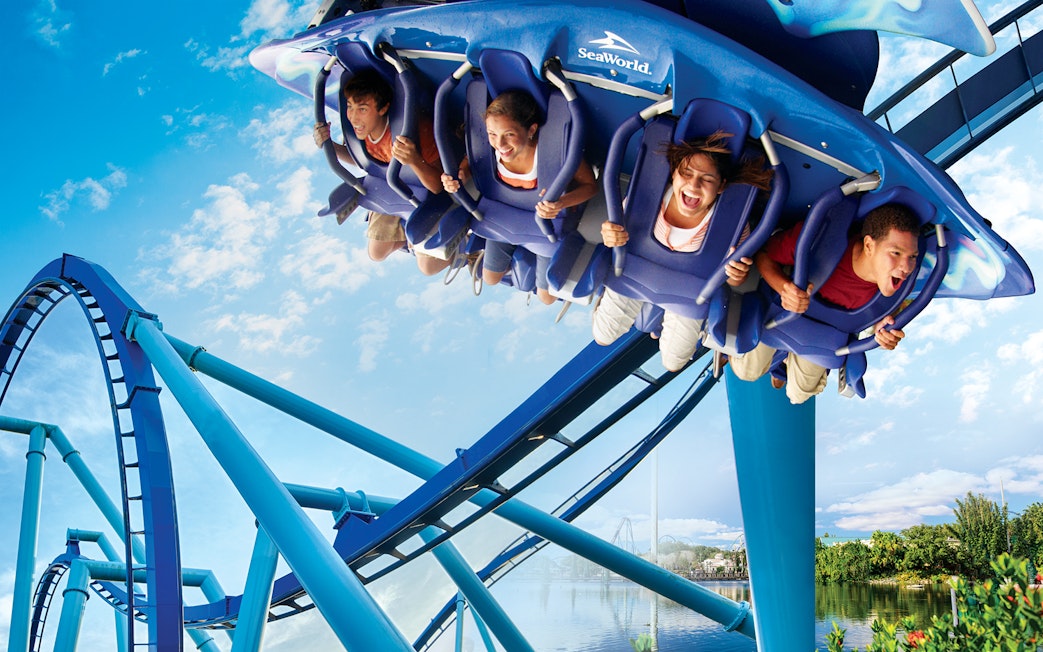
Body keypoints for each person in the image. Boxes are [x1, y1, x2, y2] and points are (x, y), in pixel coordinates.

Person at [593, 131, 773, 372]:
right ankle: (652, 308)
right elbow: (615, 235)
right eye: (686, 174)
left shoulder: (733, 225)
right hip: (637, 274)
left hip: (689, 293)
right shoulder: (644, 199)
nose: (693, 185)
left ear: (721, 187)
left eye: (706, 179)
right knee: (602, 337)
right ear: (674, 176)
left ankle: (657, 311)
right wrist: (609, 234)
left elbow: (733, 277)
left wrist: (737, 274)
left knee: (673, 364)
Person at [729, 202, 920, 403]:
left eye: (913, 256)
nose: (906, 266)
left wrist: (881, 333)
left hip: (823, 333)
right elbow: (764, 254)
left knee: (799, 395)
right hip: (784, 311)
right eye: (896, 253)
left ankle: (782, 365)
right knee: (746, 372)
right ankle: (774, 358)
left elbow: (886, 322)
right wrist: (784, 287)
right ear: (869, 246)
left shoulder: (899, 291)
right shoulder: (822, 239)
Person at [441, 90, 597, 304]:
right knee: (490, 278)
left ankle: (532, 257)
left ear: (531, 130)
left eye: (509, 135)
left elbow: (590, 187)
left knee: (546, 298)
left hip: (544, 227)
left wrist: (561, 202)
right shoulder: (491, 147)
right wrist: (459, 175)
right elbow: (472, 161)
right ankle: (522, 255)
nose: (500, 144)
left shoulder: (554, 151)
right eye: (493, 134)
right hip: (505, 214)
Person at [313, 69, 451, 276]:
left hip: (428, 189)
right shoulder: (361, 133)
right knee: (376, 253)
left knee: (427, 268)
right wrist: (329, 145)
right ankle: (407, 235)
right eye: (350, 107)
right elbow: (366, 162)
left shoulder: (411, 135)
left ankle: (462, 249)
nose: (353, 117)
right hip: (391, 185)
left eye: (362, 109)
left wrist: (414, 160)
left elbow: (438, 187)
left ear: (383, 108)